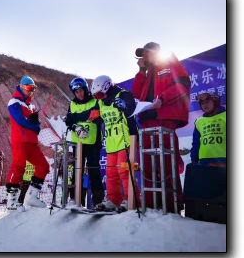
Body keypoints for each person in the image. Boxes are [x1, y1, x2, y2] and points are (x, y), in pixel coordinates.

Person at [131, 42, 190, 213]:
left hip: (165, 119)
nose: (144, 57)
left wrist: (162, 99)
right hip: (147, 122)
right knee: (147, 165)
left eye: (147, 53)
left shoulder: (169, 61)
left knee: (167, 162)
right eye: (143, 55)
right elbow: (135, 94)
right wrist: (141, 71)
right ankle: (150, 206)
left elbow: (183, 84)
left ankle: (172, 206)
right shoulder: (147, 73)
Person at [90, 75, 141, 212]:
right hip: (111, 143)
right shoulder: (101, 102)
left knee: (125, 171)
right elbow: (97, 118)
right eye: (96, 96)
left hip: (126, 139)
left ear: (107, 87)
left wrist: (125, 106)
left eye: (100, 94)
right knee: (111, 173)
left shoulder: (123, 95)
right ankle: (113, 200)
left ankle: (132, 200)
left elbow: (131, 110)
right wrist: (90, 120)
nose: (99, 97)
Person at [6, 76, 50, 210]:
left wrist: (37, 123)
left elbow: (32, 121)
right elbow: (19, 120)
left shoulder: (30, 104)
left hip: (32, 142)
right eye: (29, 88)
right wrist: (34, 125)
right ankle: (11, 201)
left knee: (43, 166)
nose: (31, 91)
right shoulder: (14, 101)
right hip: (20, 140)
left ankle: (31, 198)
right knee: (18, 166)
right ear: (22, 87)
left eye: (33, 89)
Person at [64, 77, 105, 208]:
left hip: (93, 142)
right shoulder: (72, 104)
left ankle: (98, 202)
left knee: (94, 172)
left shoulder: (95, 101)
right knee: (77, 172)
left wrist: (79, 117)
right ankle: (75, 200)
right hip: (78, 143)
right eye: (76, 92)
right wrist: (75, 126)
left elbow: (99, 116)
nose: (79, 94)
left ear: (85, 89)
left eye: (81, 91)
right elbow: (68, 121)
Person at [190, 92, 226, 166]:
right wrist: (194, 159)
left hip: (223, 160)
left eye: (207, 102)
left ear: (215, 102)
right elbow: (196, 143)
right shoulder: (199, 122)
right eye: (202, 103)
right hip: (204, 162)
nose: (204, 105)